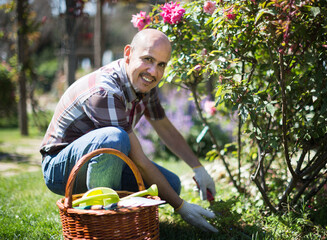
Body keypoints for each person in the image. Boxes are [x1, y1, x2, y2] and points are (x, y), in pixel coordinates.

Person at [40, 29, 218, 232]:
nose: (153, 71)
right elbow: (139, 161)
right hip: (60, 168)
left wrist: (198, 168)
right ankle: (104, 220)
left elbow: (164, 127)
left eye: (161, 64)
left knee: (171, 184)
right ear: (128, 53)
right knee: (115, 138)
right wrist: (181, 206)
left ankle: (116, 209)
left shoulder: (145, 85)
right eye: (147, 59)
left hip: (102, 158)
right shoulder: (105, 91)